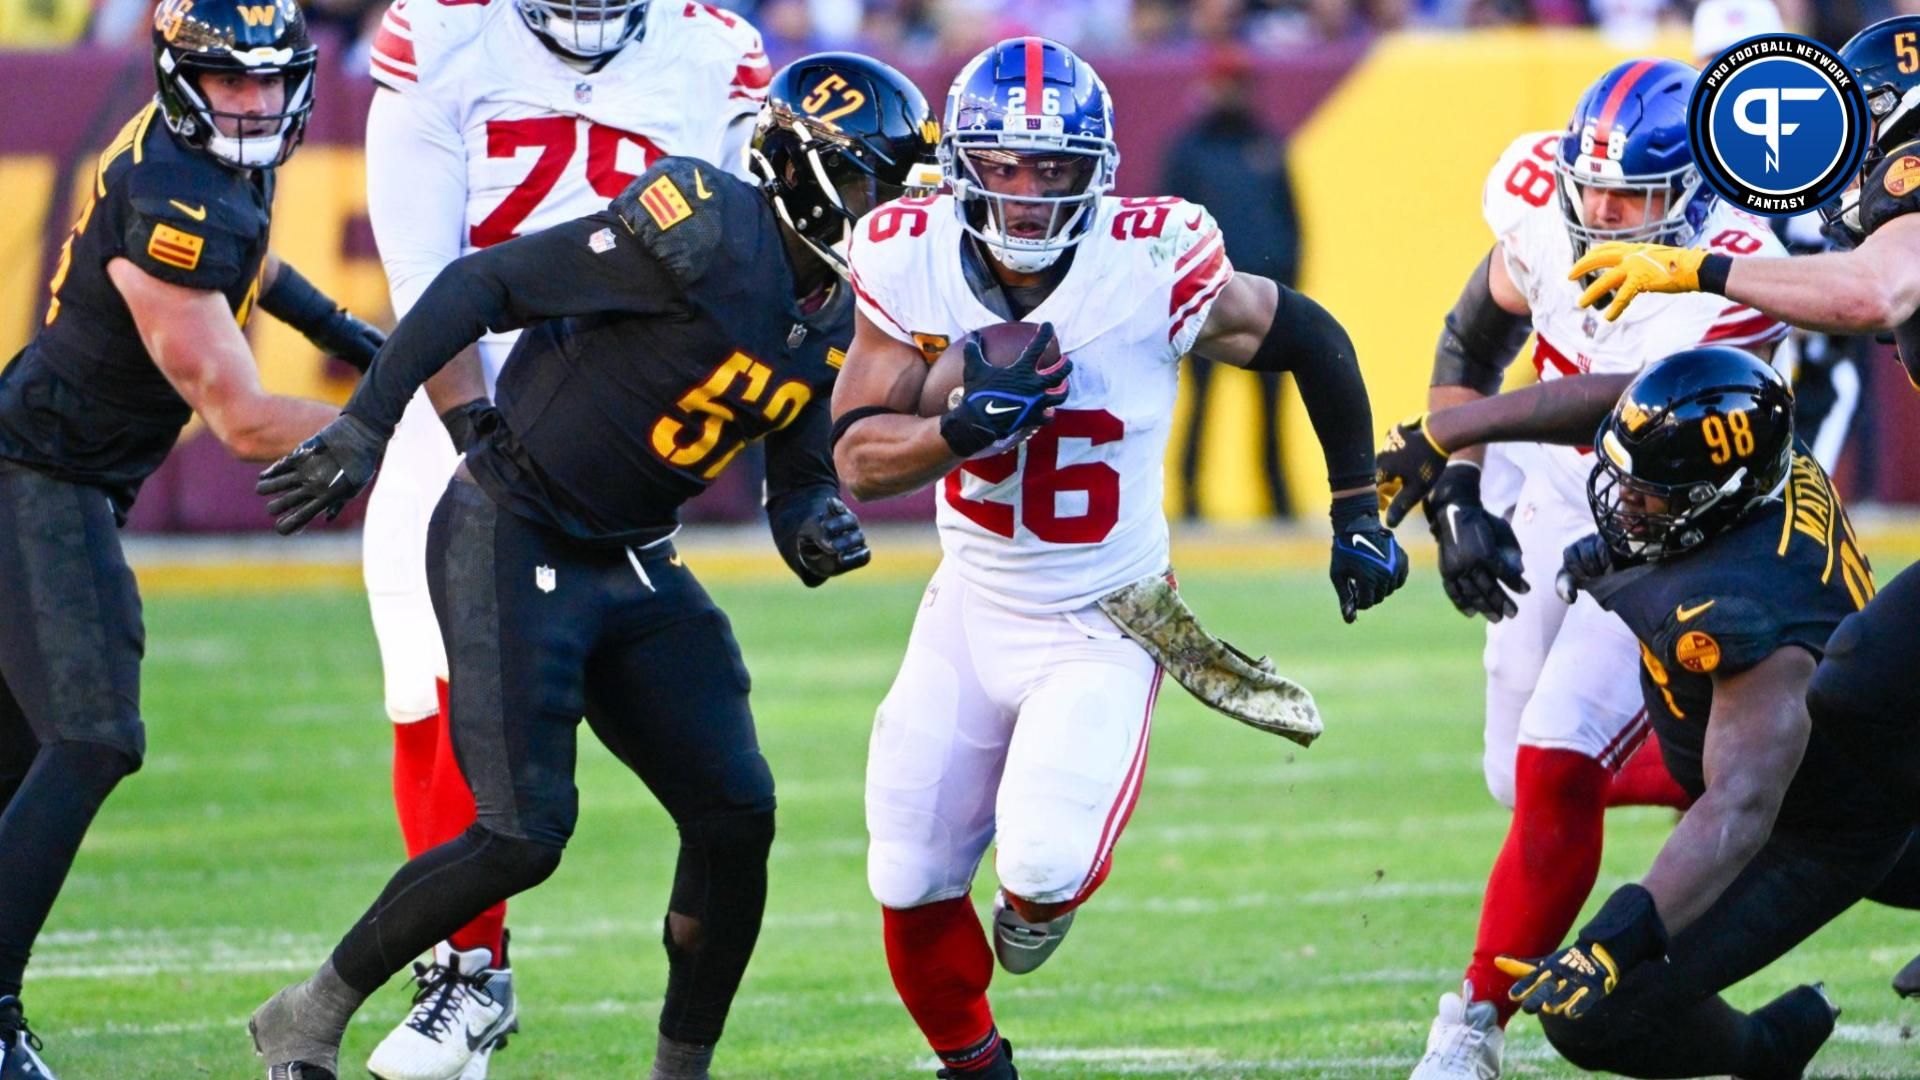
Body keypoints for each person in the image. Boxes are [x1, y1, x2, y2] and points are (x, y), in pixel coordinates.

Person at [246, 54, 935, 1080]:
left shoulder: (839, 308)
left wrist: (816, 524)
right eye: (880, 182)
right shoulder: (702, 218)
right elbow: (483, 282)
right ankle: (307, 1012)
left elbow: (793, 482)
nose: (897, 211)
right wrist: (365, 424)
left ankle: (679, 1070)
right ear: (807, 173)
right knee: (524, 833)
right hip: (512, 524)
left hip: (632, 555)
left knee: (736, 814)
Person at [832, 37, 1408, 1079]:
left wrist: (1356, 506)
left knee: (1044, 867)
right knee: (908, 876)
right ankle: (975, 1064)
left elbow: (1311, 335)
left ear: (1096, 170)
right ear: (959, 164)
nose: (1023, 192)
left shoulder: (1150, 259)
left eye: (1051, 168)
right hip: (970, 602)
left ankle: (1035, 907)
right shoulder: (901, 251)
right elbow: (860, 458)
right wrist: (959, 430)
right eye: (1001, 165)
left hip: (1105, 613)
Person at [358, 0, 770, 1071]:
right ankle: (465, 975)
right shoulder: (438, 38)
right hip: (465, 398)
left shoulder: (713, 50)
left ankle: (491, 979)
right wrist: (475, 442)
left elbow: (744, 265)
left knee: (660, 749)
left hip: (610, 424)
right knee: (429, 685)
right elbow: (426, 278)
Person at [1383, 56, 1789, 1080]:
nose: (1602, 209)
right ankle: (1771, 781)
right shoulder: (1538, 201)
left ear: (1691, 193)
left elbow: (1600, 406)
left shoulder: (1734, 266)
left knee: (1555, 763)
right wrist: (1463, 489)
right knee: (1513, 771)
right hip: (1559, 478)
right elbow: (1472, 339)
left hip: (1679, 507)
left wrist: (1456, 456)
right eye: (1591, 183)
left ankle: (1472, 1021)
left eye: (1631, 192)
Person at [0, 2, 383, 1074]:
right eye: (230, 83)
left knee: (20, 759)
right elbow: (244, 416)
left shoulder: (210, 165)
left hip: (54, 466)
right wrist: (406, 428)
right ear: (179, 79)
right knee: (91, 735)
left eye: (270, 79)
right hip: (39, 473)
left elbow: (249, 259)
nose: (255, 103)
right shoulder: (176, 191)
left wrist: (354, 340)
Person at [1378, 346, 1920, 1078]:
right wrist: (1449, 432)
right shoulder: (1757, 455)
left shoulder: (1747, 612)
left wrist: (1615, 935)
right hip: (1831, 764)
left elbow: (1739, 811)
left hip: (1811, 827)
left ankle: (1761, 1053)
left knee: (1593, 1014)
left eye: (1649, 494)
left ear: (1717, 497)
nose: (1622, 499)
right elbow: (1622, 401)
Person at [1567, 11, 1920, 1002]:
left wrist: (1700, 267)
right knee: (1861, 717)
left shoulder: (1911, 177)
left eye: (1871, 117)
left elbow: (1877, 294)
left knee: (1861, 688)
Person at [1160, 44, 1301, 519]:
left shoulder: (1267, 144)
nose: (1235, 91)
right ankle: (1190, 500)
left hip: (1267, 301)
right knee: (1200, 403)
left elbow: (1291, 219)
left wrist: (1291, 290)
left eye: (1241, 81)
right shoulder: (1188, 148)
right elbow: (1168, 227)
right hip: (1205, 303)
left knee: (1271, 408)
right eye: (1227, 81)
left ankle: (1278, 501)